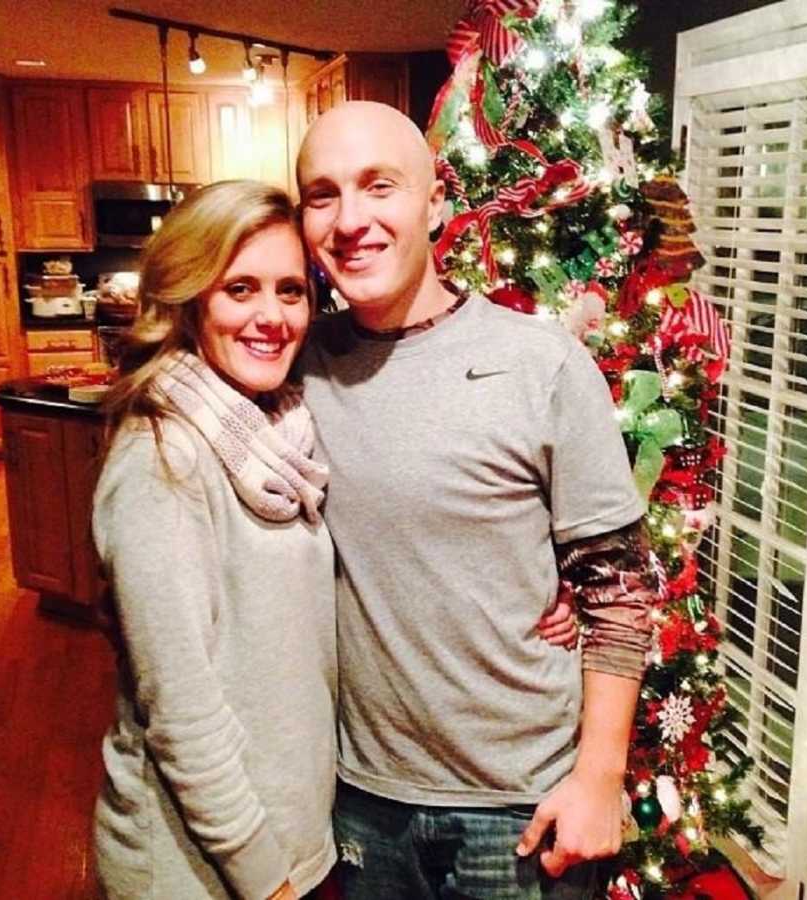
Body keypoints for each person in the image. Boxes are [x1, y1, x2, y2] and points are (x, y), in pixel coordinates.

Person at [296, 101, 657, 900]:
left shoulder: (541, 364)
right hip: (362, 800)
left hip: (523, 804)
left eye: (378, 186)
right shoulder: (293, 363)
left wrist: (600, 778)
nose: (351, 218)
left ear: (434, 201)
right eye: (323, 195)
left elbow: (620, 588)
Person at [92, 180, 336, 900]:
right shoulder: (163, 460)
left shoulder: (283, 435)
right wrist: (267, 880)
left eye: (291, 291)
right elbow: (182, 713)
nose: (272, 316)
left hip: (285, 835)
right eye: (240, 289)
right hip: (193, 866)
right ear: (192, 298)